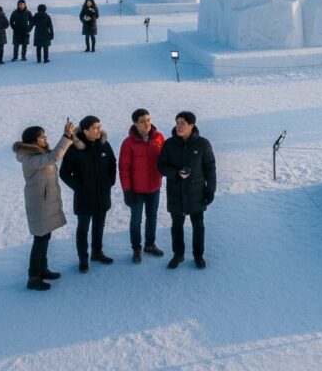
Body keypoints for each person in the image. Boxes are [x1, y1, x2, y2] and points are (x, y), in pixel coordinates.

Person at [13, 119, 76, 291]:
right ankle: (33, 278)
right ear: (33, 142)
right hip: (38, 204)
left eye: (45, 136)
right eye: (42, 137)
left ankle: (43, 269)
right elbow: (54, 156)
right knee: (40, 239)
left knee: (45, 237)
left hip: (44, 202)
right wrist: (66, 136)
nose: (45, 139)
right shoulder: (29, 159)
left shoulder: (38, 154)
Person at [157, 111, 216, 270]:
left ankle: (198, 255)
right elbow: (161, 166)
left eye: (183, 123)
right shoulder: (169, 144)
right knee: (176, 226)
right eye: (177, 123)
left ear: (191, 125)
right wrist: (175, 173)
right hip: (175, 192)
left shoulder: (203, 144)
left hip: (196, 192)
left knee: (198, 226)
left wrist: (210, 191)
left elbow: (210, 168)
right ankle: (178, 254)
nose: (179, 126)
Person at [59, 116, 117, 272]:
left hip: (103, 195)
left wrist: (110, 182)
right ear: (84, 131)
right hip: (84, 198)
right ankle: (83, 259)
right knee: (83, 229)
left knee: (99, 226)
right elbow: (64, 173)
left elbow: (113, 163)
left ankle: (97, 253)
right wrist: (79, 188)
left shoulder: (104, 145)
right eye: (94, 128)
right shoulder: (74, 149)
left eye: (99, 126)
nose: (99, 130)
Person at [119, 109, 166, 263]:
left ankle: (150, 245)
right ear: (135, 123)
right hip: (136, 190)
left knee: (152, 217)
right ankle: (136, 249)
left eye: (148, 119)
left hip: (154, 187)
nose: (146, 123)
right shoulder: (128, 143)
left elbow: (166, 158)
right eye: (142, 121)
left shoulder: (158, 138)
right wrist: (127, 190)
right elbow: (123, 168)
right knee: (136, 219)